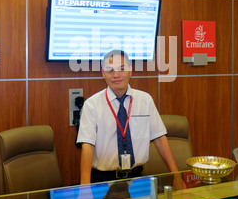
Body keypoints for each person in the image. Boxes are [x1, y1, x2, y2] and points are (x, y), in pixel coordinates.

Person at [76, 49, 179, 184]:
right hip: (102, 180)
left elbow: (160, 138)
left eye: (122, 69)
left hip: (138, 178)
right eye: (110, 70)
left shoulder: (145, 100)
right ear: (103, 73)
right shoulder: (91, 105)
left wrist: (176, 175)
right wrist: (85, 187)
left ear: (130, 70)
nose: (116, 75)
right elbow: (87, 146)